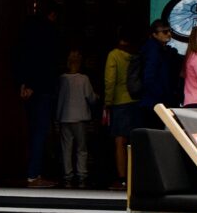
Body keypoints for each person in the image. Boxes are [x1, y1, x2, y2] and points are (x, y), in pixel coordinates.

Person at [13, 2, 63, 186]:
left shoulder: (26, 30)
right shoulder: (48, 32)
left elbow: (20, 57)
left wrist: (23, 84)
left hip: (27, 88)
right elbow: (46, 62)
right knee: (40, 131)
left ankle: (33, 172)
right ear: (52, 15)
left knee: (33, 130)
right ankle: (34, 174)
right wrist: (34, 85)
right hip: (42, 88)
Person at [54, 49, 98, 188]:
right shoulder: (84, 79)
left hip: (64, 117)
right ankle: (82, 175)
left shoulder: (61, 79)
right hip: (80, 117)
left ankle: (67, 176)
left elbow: (57, 97)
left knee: (66, 148)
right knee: (81, 149)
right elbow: (91, 98)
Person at [102, 31, 137, 183]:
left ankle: (122, 177)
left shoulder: (114, 55)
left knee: (119, 141)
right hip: (136, 100)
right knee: (134, 141)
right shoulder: (136, 55)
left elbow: (110, 80)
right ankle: (134, 177)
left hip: (119, 102)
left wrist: (107, 102)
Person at [139, 18, 183, 113]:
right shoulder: (153, 51)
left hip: (157, 102)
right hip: (155, 103)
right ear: (154, 34)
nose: (169, 34)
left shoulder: (163, 50)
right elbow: (149, 78)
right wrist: (161, 96)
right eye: (165, 32)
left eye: (169, 31)